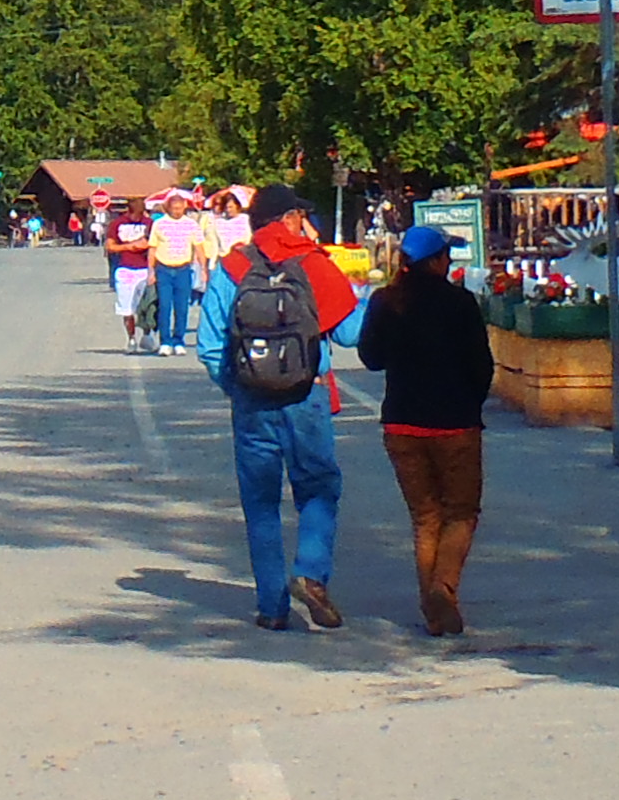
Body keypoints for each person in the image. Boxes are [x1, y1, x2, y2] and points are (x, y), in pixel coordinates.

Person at [198, 183, 366, 631]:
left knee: (260, 502)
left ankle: (272, 606)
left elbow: (210, 347)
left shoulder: (231, 268)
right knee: (318, 488)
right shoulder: (312, 262)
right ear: (288, 219)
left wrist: (241, 387)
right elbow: (351, 333)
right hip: (307, 396)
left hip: (252, 401)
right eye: (300, 216)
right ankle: (310, 572)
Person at [353, 223, 495, 634]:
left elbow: (370, 358)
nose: (448, 261)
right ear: (435, 261)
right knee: (461, 512)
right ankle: (443, 588)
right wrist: (471, 403)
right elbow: (481, 365)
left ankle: (434, 612)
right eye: (445, 255)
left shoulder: (385, 301)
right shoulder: (460, 302)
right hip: (455, 423)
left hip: (401, 423)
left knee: (425, 517)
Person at [147, 193, 204, 355]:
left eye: (180, 208)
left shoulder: (191, 224)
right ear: (169, 208)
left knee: (182, 308)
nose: (177, 211)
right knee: (164, 306)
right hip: (163, 269)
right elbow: (152, 248)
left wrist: (204, 270)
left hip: (183, 269)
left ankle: (179, 340)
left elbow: (199, 248)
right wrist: (151, 271)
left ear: (184, 207)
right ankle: (165, 341)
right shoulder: (159, 224)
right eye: (174, 208)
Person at [103, 195, 158, 349]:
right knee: (126, 307)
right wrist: (129, 246)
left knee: (147, 304)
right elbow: (110, 246)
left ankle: (147, 334)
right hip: (125, 268)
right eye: (134, 214)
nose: (137, 217)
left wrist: (146, 247)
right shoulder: (117, 223)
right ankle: (131, 338)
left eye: (140, 214)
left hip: (145, 268)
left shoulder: (150, 224)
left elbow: (155, 244)